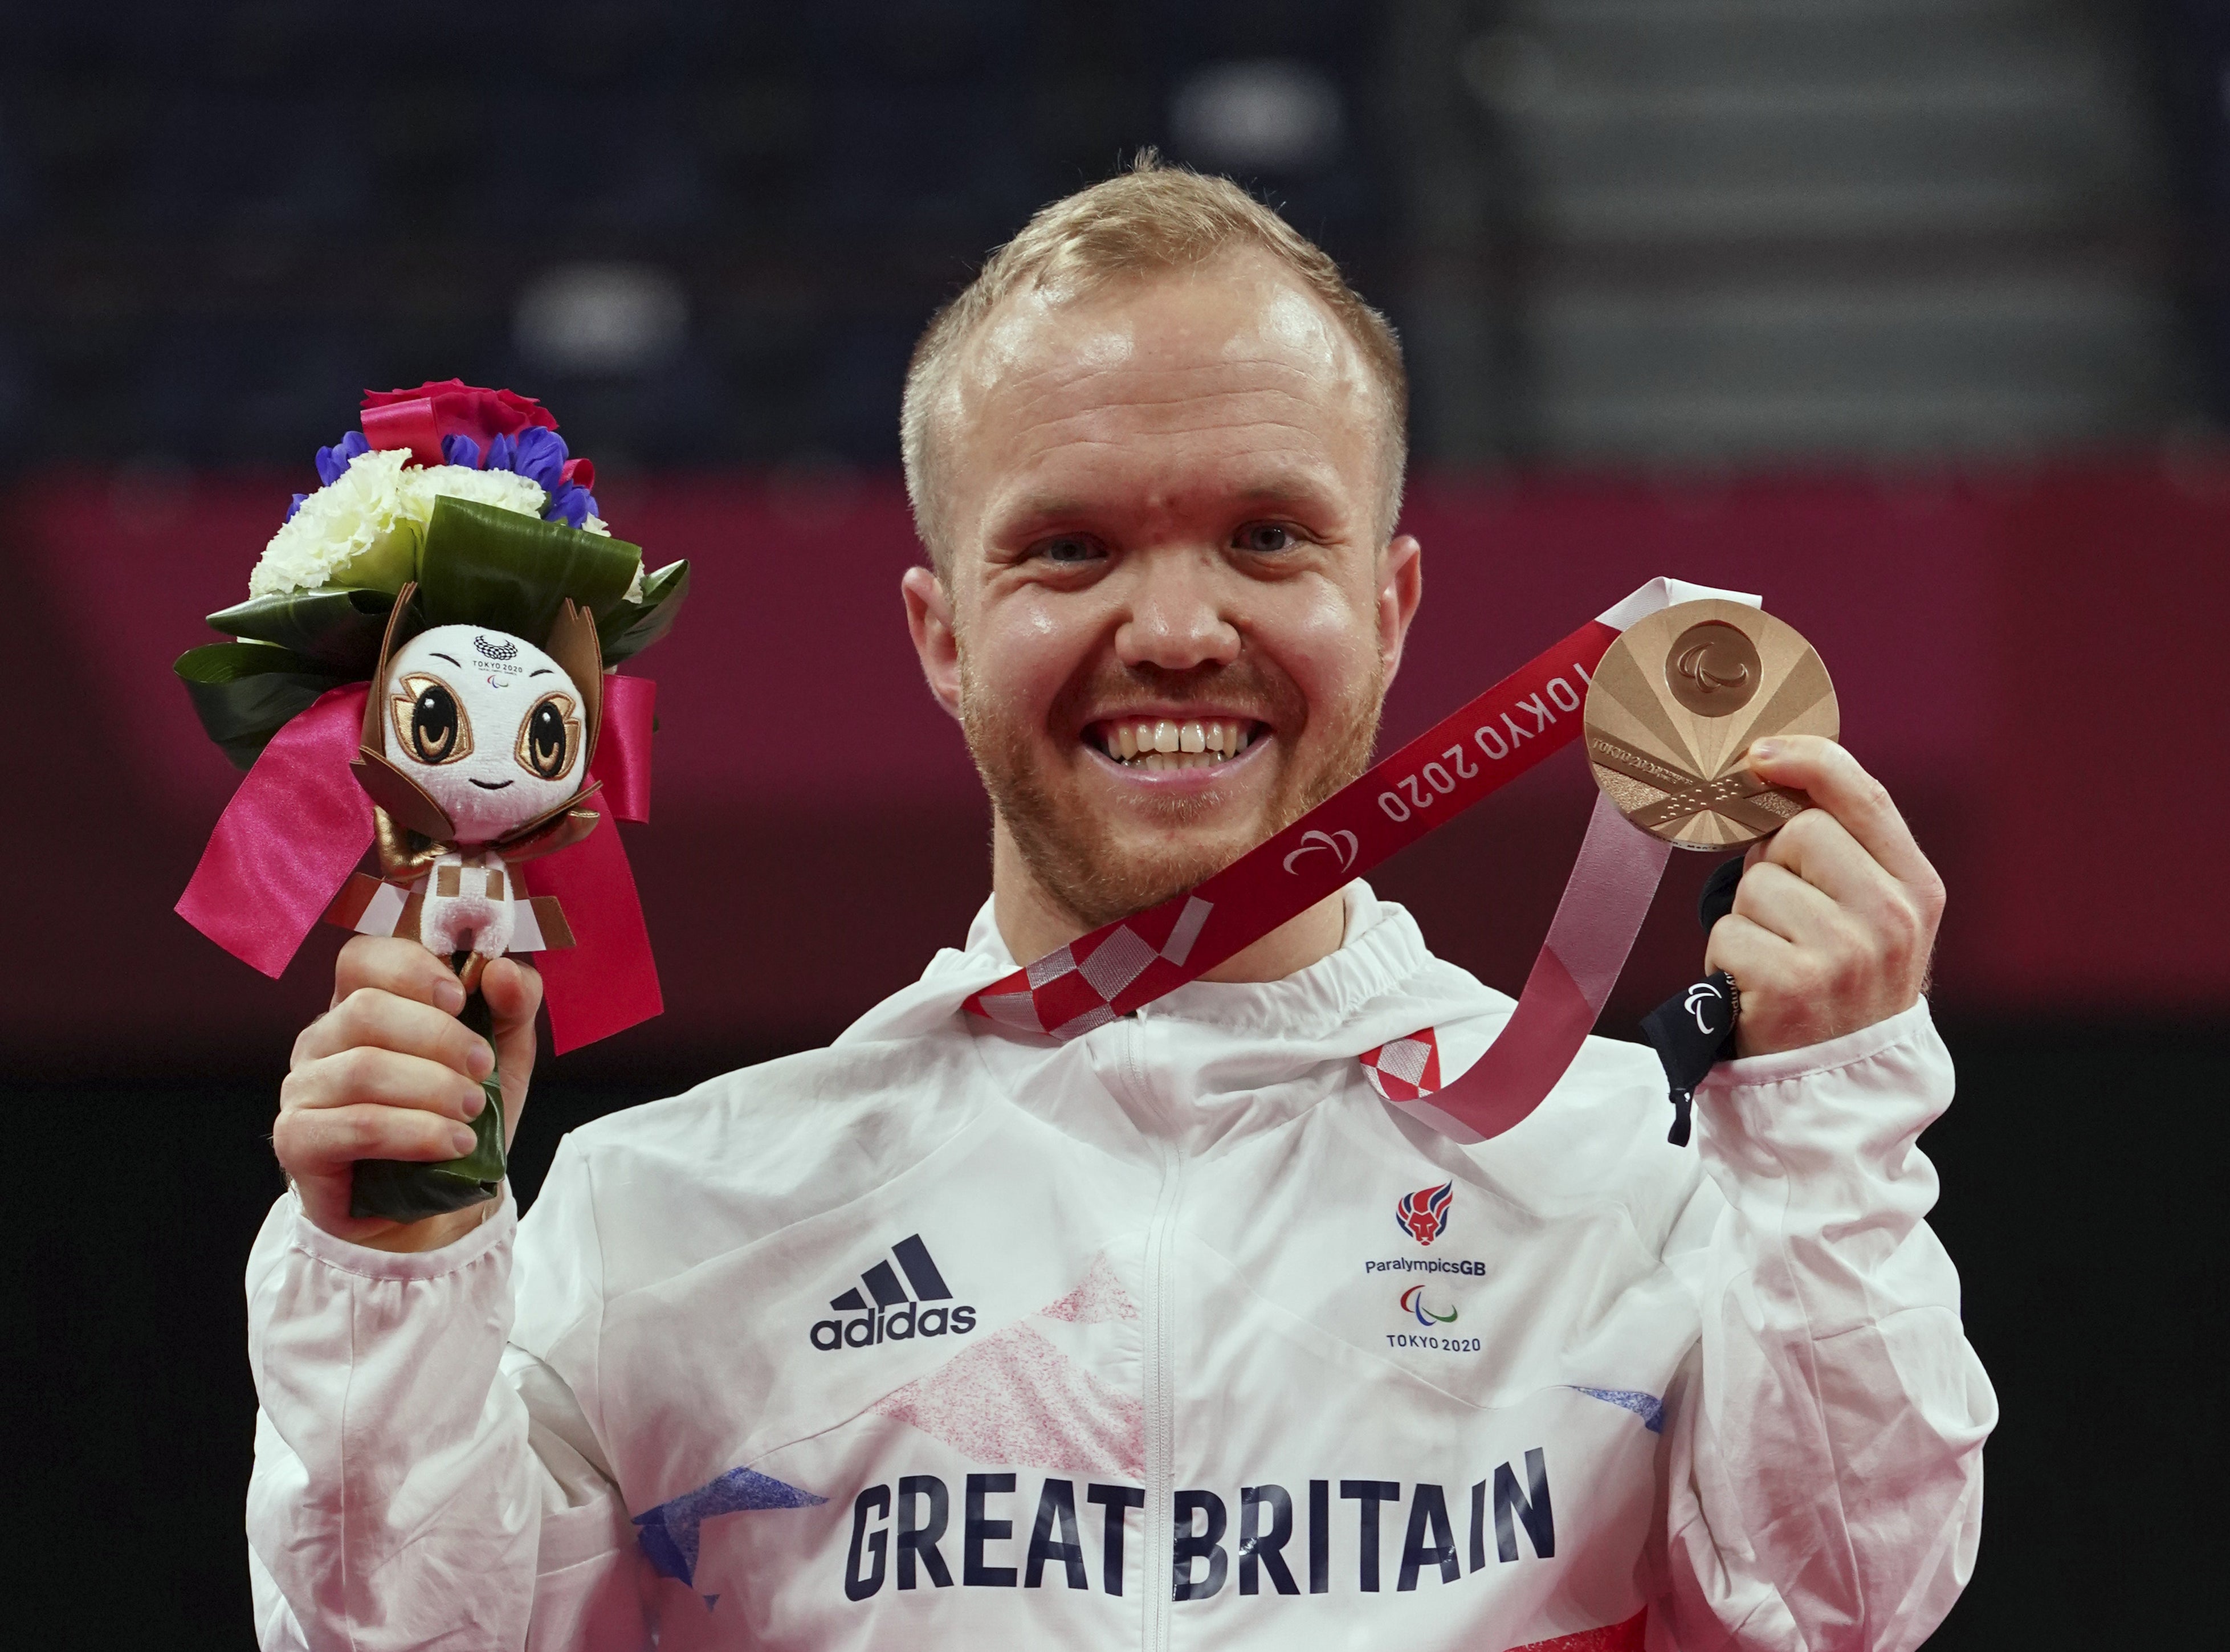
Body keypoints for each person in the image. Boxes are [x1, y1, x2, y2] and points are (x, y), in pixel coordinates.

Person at [248, 157, 1993, 1651]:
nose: (1173, 628)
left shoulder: (1645, 1183)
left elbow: (1839, 1609)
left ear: (1388, 605)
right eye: (1069, 547)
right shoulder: (674, 1225)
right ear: (940, 633)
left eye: (1264, 539)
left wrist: (1832, 1114)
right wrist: (394, 1262)